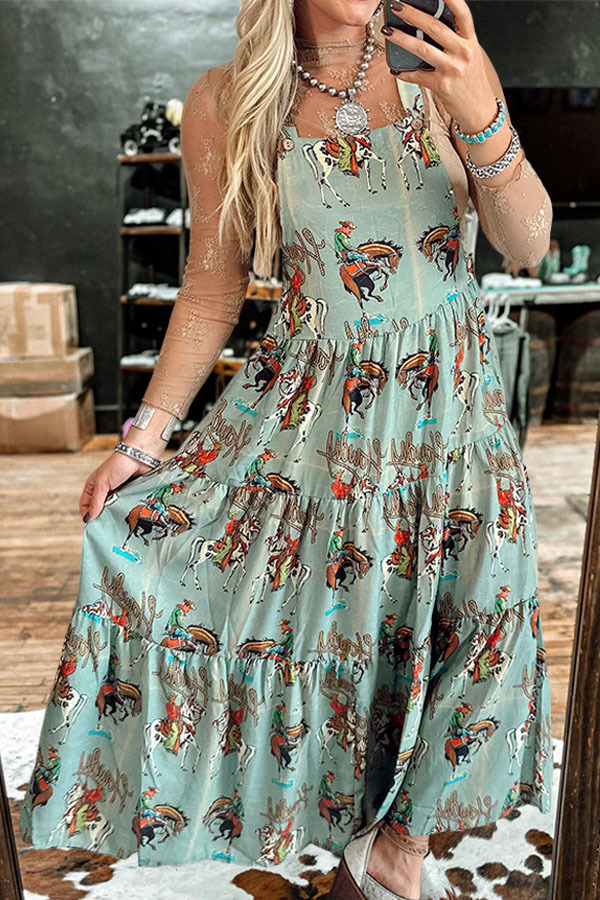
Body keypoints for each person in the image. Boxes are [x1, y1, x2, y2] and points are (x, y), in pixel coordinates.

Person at [20, 1, 554, 896]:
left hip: (454, 412)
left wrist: (481, 115)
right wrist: (142, 442)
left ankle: (400, 846)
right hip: (314, 420)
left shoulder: (442, 60)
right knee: (338, 627)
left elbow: (528, 241)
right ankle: (365, 841)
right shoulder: (227, 99)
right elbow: (211, 285)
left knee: (481, 614)